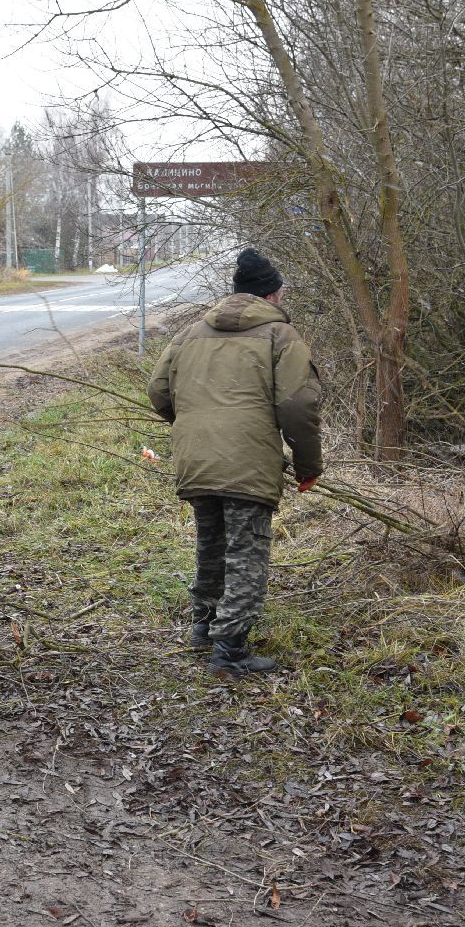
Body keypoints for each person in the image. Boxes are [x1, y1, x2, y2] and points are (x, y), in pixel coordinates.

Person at [147, 248, 322, 677]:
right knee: (247, 551)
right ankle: (230, 650)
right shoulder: (281, 337)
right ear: (275, 296)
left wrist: (194, 427)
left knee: (211, 543)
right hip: (248, 459)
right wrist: (307, 465)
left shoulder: (190, 333)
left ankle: (203, 628)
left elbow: (159, 392)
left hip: (196, 457)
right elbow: (298, 406)